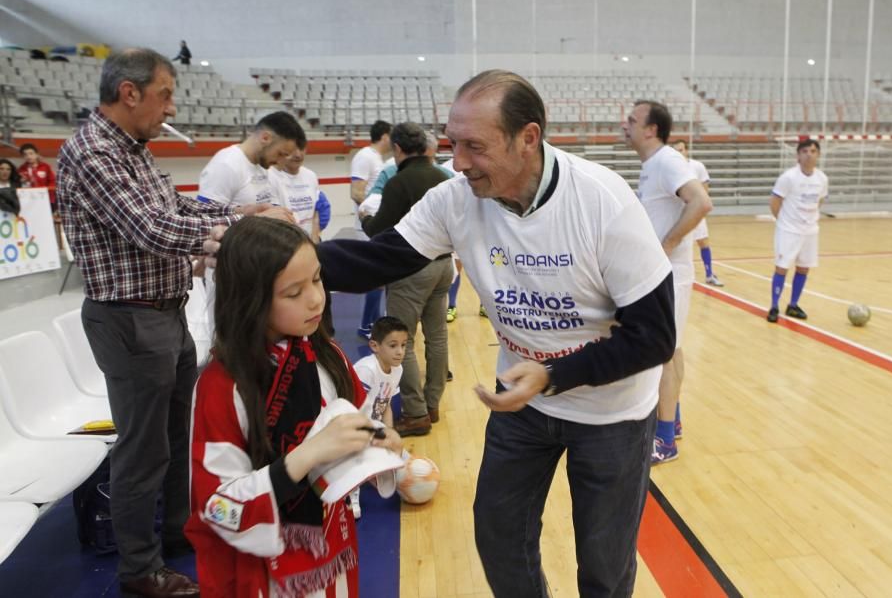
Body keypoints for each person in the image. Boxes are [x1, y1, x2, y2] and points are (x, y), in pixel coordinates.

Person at [204, 70, 676, 595]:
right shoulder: (457, 197)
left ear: (528, 138)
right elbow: (379, 259)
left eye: (475, 146)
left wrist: (552, 373)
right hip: (522, 405)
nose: (461, 161)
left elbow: (655, 336)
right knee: (499, 536)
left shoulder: (601, 201)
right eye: (454, 143)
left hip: (612, 410)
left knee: (604, 564)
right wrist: (273, 258)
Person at [56, 47, 277, 598]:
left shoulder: (132, 150)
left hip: (164, 313)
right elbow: (153, 229)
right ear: (129, 93)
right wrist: (240, 229)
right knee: (142, 448)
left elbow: (176, 209)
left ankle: (178, 532)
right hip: (129, 321)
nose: (171, 107)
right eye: (165, 94)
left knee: (178, 436)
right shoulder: (92, 153)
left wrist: (238, 216)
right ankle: (139, 570)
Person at [187, 216, 402, 598]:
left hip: (331, 543)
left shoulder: (325, 352)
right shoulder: (221, 387)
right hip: (264, 572)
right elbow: (217, 506)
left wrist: (378, 441)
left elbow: (357, 420)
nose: (317, 298)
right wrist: (304, 459)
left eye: (318, 279)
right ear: (250, 299)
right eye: (293, 292)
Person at [625, 102, 712, 465]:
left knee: (664, 353)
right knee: (670, 350)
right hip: (663, 274)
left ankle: (664, 441)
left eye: (632, 120)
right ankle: (671, 420)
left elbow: (702, 202)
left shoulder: (666, 161)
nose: (625, 125)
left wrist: (666, 247)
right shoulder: (653, 165)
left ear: (651, 129)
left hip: (671, 274)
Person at [360, 121, 452, 437]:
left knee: (404, 340)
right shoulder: (443, 177)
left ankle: (415, 414)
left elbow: (379, 230)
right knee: (437, 336)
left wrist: (365, 217)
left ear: (398, 149)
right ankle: (432, 405)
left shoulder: (400, 183)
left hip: (413, 269)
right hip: (444, 266)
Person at [350, 314, 409, 518]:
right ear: (375, 346)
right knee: (354, 451)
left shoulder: (397, 369)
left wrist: (390, 433)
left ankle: (374, 470)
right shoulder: (367, 370)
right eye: (393, 345)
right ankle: (351, 491)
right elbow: (353, 410)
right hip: (352, 424)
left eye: (403, 345)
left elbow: (386, 406)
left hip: (373, 425)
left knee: (404, 458)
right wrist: (376, 435)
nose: (400, 351)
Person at [767, 138, 828, 323]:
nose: (809, 154)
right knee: (782, 267)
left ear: (818, 155)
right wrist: (783, 221)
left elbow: (820, 201)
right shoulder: (788, 177)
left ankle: (793, 305)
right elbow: (774, 202)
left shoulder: (822, 179)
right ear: (798, 156)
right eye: (805, 151)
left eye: (813, 151)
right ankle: (774, 306)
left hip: (810, 230)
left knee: (803, 268)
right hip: (788, 230)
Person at [198, 111, 306, 207]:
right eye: (280, 154)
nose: (279, 161)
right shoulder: (225, 166)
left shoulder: (263, 164)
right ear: (265, 138)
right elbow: (205, 219)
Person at [352, 120, 391, 338]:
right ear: (385, 136)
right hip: (367, 226)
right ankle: (367, 325)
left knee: (381, 279)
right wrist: (371, 213)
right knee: (376, 278)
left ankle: (373, 322)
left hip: (376, 226)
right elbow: (356, 192)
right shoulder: (365, 156)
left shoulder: (377, 159)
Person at [675, 139, 724, 287]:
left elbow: (705, 187)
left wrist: (701, 207)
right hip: (679, 213)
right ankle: (679, 276)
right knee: (680, 246)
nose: (679, 152)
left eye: (681, 149)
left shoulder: (697, 166)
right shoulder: (671, 168)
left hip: (695, 211)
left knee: (703, 242)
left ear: (687, 150)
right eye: (676, 150)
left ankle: (709, 274)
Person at [268, 142, 321, 242]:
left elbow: (315, 214)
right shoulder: (270, 176)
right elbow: (274, 220)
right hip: (284, 243)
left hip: (308, 243)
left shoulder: (311, 175)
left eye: (301, 149)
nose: (298, 155)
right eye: (292, 150)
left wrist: (315, 242)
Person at [17, 142, 56, 211]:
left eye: (31, 153)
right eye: (25, 154)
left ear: (36, 154)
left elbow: (52, 182)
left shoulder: (45, 167)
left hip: (45, 199)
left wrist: (49, 197)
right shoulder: (21, 169)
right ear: (22, 156)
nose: (28, 156)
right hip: (29, 201)